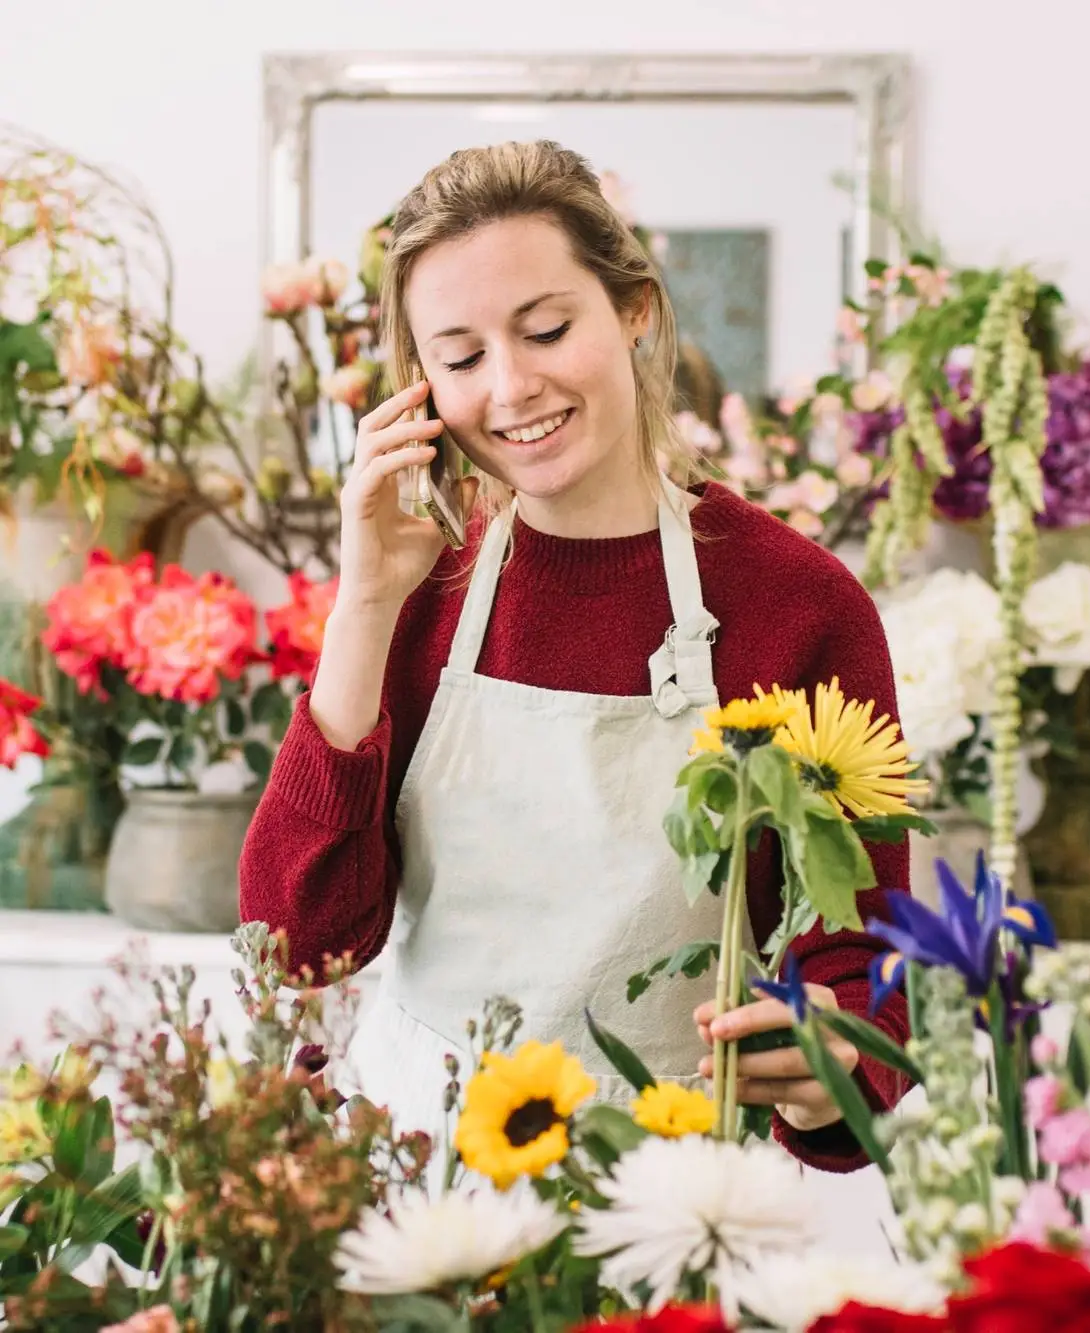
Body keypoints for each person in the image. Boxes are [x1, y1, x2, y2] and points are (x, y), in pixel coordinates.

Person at [239, 139, 910, 1177]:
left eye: (546, 328)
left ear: (633, 307)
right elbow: (296, 944)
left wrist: (835, 1068)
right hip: (415, 1201)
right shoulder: (416, 594)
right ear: (420, 388)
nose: (510, 387)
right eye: (459, 358)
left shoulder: (799, 606)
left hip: (668, 1201)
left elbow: (857, 963)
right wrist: (364, 602)